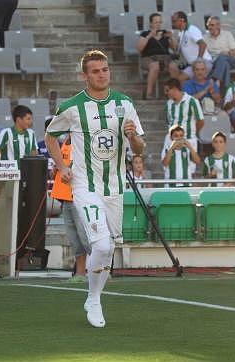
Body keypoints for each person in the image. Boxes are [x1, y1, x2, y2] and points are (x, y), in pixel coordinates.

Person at [44, 50, 145, 328]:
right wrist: (61, 167)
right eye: (96, 71)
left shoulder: (124, 104)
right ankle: (94, 299)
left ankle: (94, 297)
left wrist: (133, 136)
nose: (102, 74)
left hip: (114, 186)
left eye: (105, 69)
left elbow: (140, 149)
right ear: (84, 76)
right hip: (84, 185)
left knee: (108, 247)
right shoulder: (72, 107)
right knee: (99, 244)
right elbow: (50, 136)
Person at [51, 134, 89, 282]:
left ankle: (101, 270)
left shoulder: (84, 139)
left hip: (79, 195)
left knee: (86, 237)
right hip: (65, 195)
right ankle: (80, 274)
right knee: (74, 239)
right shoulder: (67, 139)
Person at [136, 13, 175, 100]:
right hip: (149, 58)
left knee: (174, 66)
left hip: (165, 58)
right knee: (155, 66)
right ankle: (149, 94)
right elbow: (139, 48)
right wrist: (150, 36)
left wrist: (171, 38)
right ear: (151, 24)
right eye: (156, 22)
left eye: (160, 22)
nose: (158, 24)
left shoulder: (165, 34)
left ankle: (174, 92)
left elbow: (175, 48)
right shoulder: (145, 33)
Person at [168, 11, 213, 83]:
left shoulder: (192, 29)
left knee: (181, 79)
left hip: (204, 62)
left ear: (181, 20)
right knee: (178, 79)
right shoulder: (181, 32)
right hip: (191, 64)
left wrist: (199, 61)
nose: (172, 23)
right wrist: (170, 38)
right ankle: (184, 94)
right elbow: (176, 50)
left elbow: (203, 44)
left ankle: (185, 94)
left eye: (174, 21)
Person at [164, 78, 204, 151]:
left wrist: (192, 132)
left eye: (167, 90)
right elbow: (168, 121)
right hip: (171, 140)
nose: (165, 93)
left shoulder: (192, 101)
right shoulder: (168, 103)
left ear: (174, 89)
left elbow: (200, 121)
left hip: (189, 139)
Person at [204, 16, 235, 91]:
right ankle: (226, 90)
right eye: (208, 25)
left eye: (212, 25)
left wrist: (227, 53)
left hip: (230, 59)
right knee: (225, 64)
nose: (209, 27)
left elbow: (234, 51)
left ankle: (215, 79)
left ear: (218, 25)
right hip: (214, 62)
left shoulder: (227, 34)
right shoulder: (205, 37)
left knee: (222, 57)